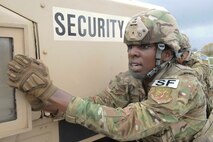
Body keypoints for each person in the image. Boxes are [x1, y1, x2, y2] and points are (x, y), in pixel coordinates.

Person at [8, 9, 207, 142]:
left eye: (144, 46)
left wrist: (52, 92)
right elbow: (96, 104)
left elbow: (130, 124)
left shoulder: (182, 83)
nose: (132, 52)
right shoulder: (128, 81)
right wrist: (43, 100)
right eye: (130, 46)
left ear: (166, 53)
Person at [177, 33, 213, 116]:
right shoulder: (174, 61)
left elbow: (197, 75)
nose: (177, 57)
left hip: (206, 98)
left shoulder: (199, 60)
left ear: (186, 51)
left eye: (178, 53)